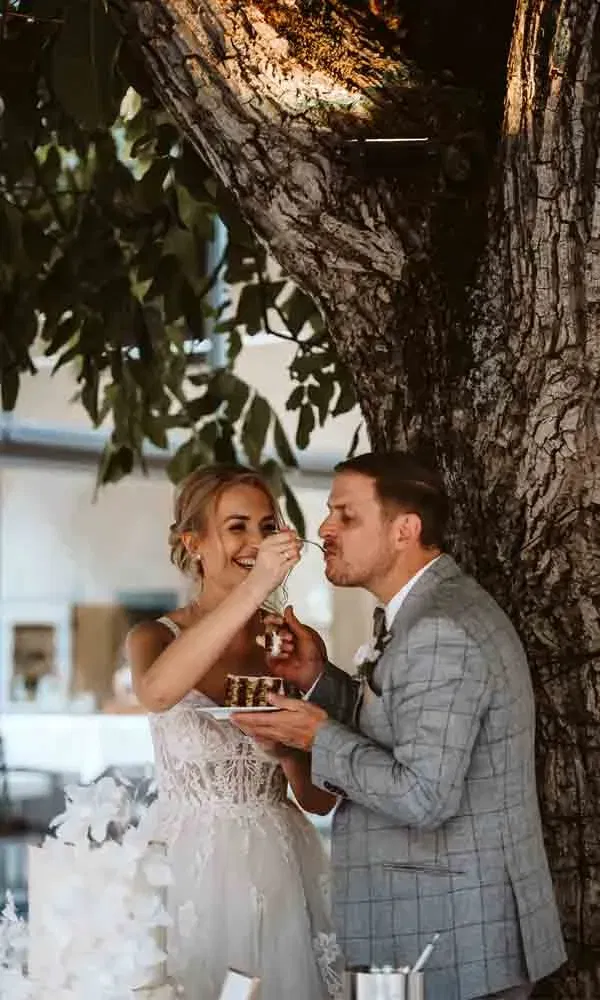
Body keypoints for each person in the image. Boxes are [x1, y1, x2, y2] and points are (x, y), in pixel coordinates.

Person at [236, 451, 567, 1000]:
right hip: (429, 927)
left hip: (446, 939)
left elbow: (423, 795)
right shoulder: (428, 611)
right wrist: (318, 677)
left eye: (346, 514)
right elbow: (405, 727)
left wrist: (315, 736)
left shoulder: (441, 628)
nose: (324, 528)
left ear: (403, 530)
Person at [127, 463, 343, 1000]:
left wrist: (285, 750)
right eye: (237, 526)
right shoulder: (153, 636)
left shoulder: (288, 641)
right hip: (185, 871)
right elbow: (157, 692)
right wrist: (256, 588)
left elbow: (317, 799)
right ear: (194, 542)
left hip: (280, 868)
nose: (255, 541)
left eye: (267, 527)